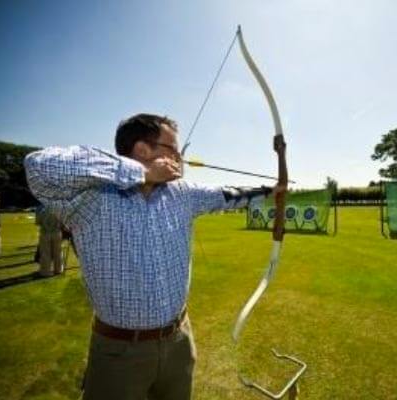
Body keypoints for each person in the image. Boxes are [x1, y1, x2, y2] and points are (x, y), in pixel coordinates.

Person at [24, 113, 286, 400]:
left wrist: (271, 190)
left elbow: (227, 194)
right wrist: (142, 172)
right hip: (119, 352)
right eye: (173, 149)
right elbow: (37, 167)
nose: (180, 157)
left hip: (178, 343)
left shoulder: (182, 194)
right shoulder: (90, 199)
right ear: (142, 150)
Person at [35, 205, 64, 277]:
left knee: (45, 253)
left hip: (45, 233)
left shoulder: (40, 208)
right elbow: (63, 221)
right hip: (57, 232)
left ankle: (45, 271)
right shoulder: (59, 207)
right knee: (58, 252)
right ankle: (58, 269)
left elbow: (38, 221)